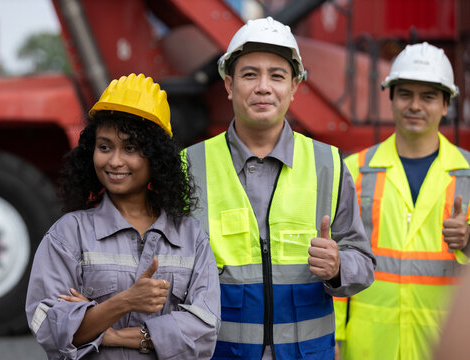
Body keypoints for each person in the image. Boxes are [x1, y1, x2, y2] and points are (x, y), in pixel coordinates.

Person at [181, 17, 375, 359]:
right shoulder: (189, 166)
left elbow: (363, 261)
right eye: (250, 74)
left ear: (295, 86)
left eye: (277, 75)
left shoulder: (326, 163)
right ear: (229, 85)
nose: (263, 87)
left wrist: (338, 266)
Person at [25, 73, 220, 359]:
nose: (114, 161)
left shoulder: (191, 236)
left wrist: (109, 332)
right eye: (104, 147)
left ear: (156, 157)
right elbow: (52, 331)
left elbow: (204, 331)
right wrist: (126, 302)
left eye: (131, 148)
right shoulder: (68, 234)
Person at [334, 42, 470, 360]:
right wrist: (334, 339)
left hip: (442, 346)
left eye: (428, 97)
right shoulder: (354, 171)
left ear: (446, 104)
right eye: (406, 94)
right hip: (367, 348)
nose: (415, 106)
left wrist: (467, 242)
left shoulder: (469, 174)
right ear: (391, 98)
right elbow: (338, 266)